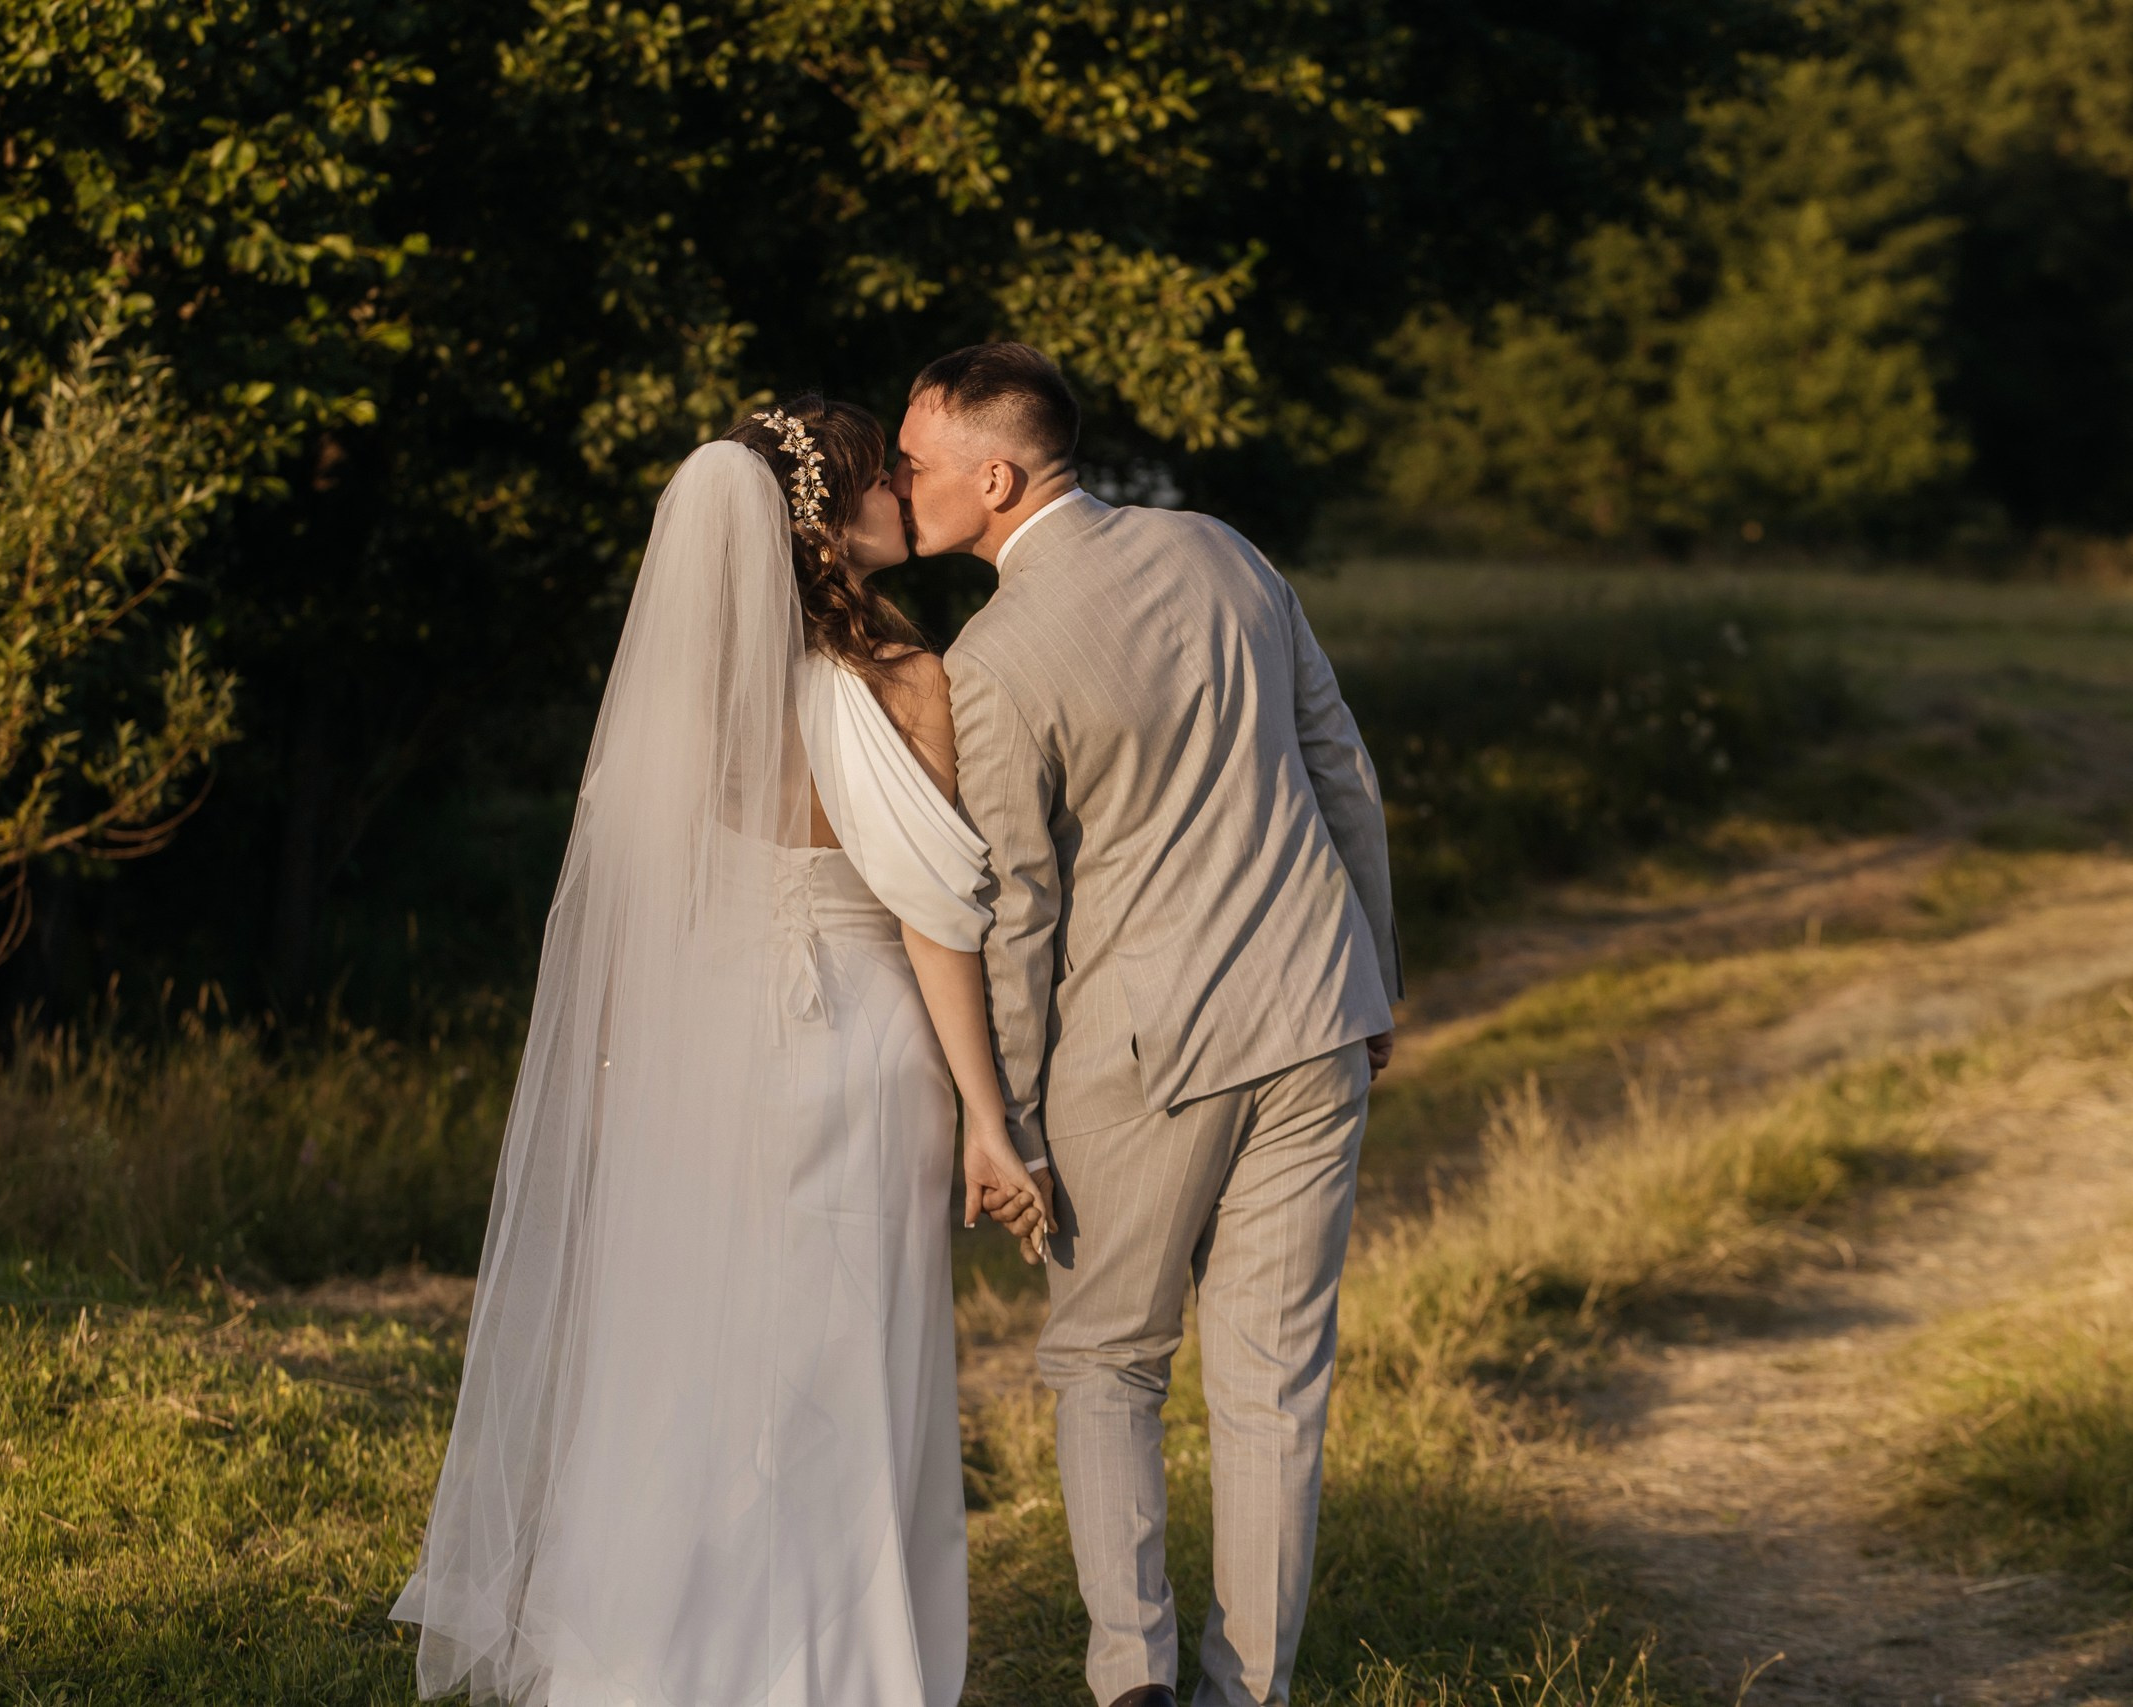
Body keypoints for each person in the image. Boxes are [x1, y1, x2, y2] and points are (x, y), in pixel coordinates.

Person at [392, 398, 1047, 1706]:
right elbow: (934, 920)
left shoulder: (686, 697)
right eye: (882, 480)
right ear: (829, 517)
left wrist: (624, 1092)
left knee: (700, 1368)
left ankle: (667, 1659)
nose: (904, 496)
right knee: (850, 1374)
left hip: (708, 1051)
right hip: (867, 1049)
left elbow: (639, 912)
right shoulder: (908, 679)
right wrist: (990, 1113)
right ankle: (847, 1670)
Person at [894, 344, 1403, 1707]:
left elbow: (1018, 908)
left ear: (993, 479)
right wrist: (1376, 978)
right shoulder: (1222, 549)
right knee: (1272, 1385)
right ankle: (1250, 1693)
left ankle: (1133, 1680)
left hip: (1144, 1057)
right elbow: (1338, 762)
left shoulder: (992, 654)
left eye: (914, 464)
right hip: (1316, 1009)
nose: (898, 486)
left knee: (1106, 1361)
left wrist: (1002, 1116)